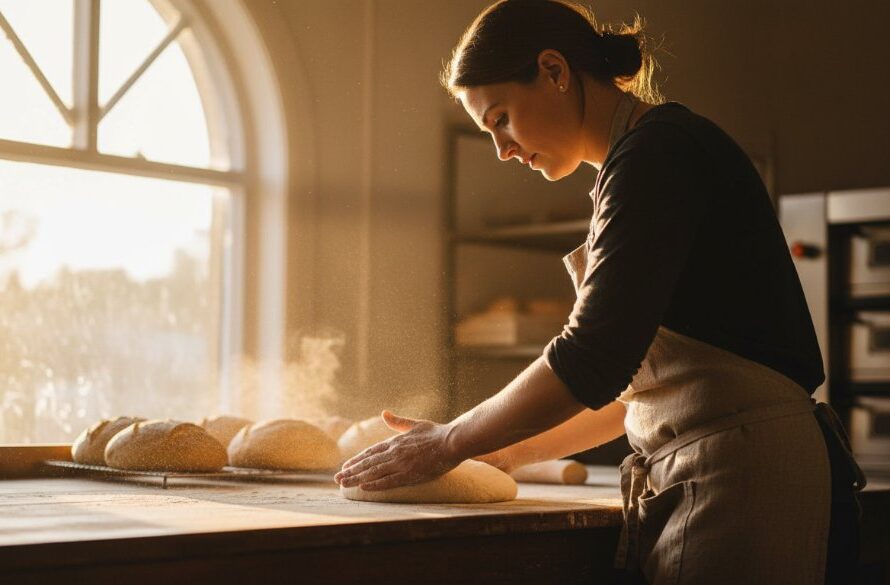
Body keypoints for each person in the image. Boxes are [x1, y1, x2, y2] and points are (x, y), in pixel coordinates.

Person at [335, 1, 865, 582]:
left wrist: (450, 441)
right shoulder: (632, 165)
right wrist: (503, 453)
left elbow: (592, 357)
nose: (502, 150)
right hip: (715, 465)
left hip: (743, 472)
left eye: (502, 118)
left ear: (555, 71)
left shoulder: (656, 155)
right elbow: (630, 390)